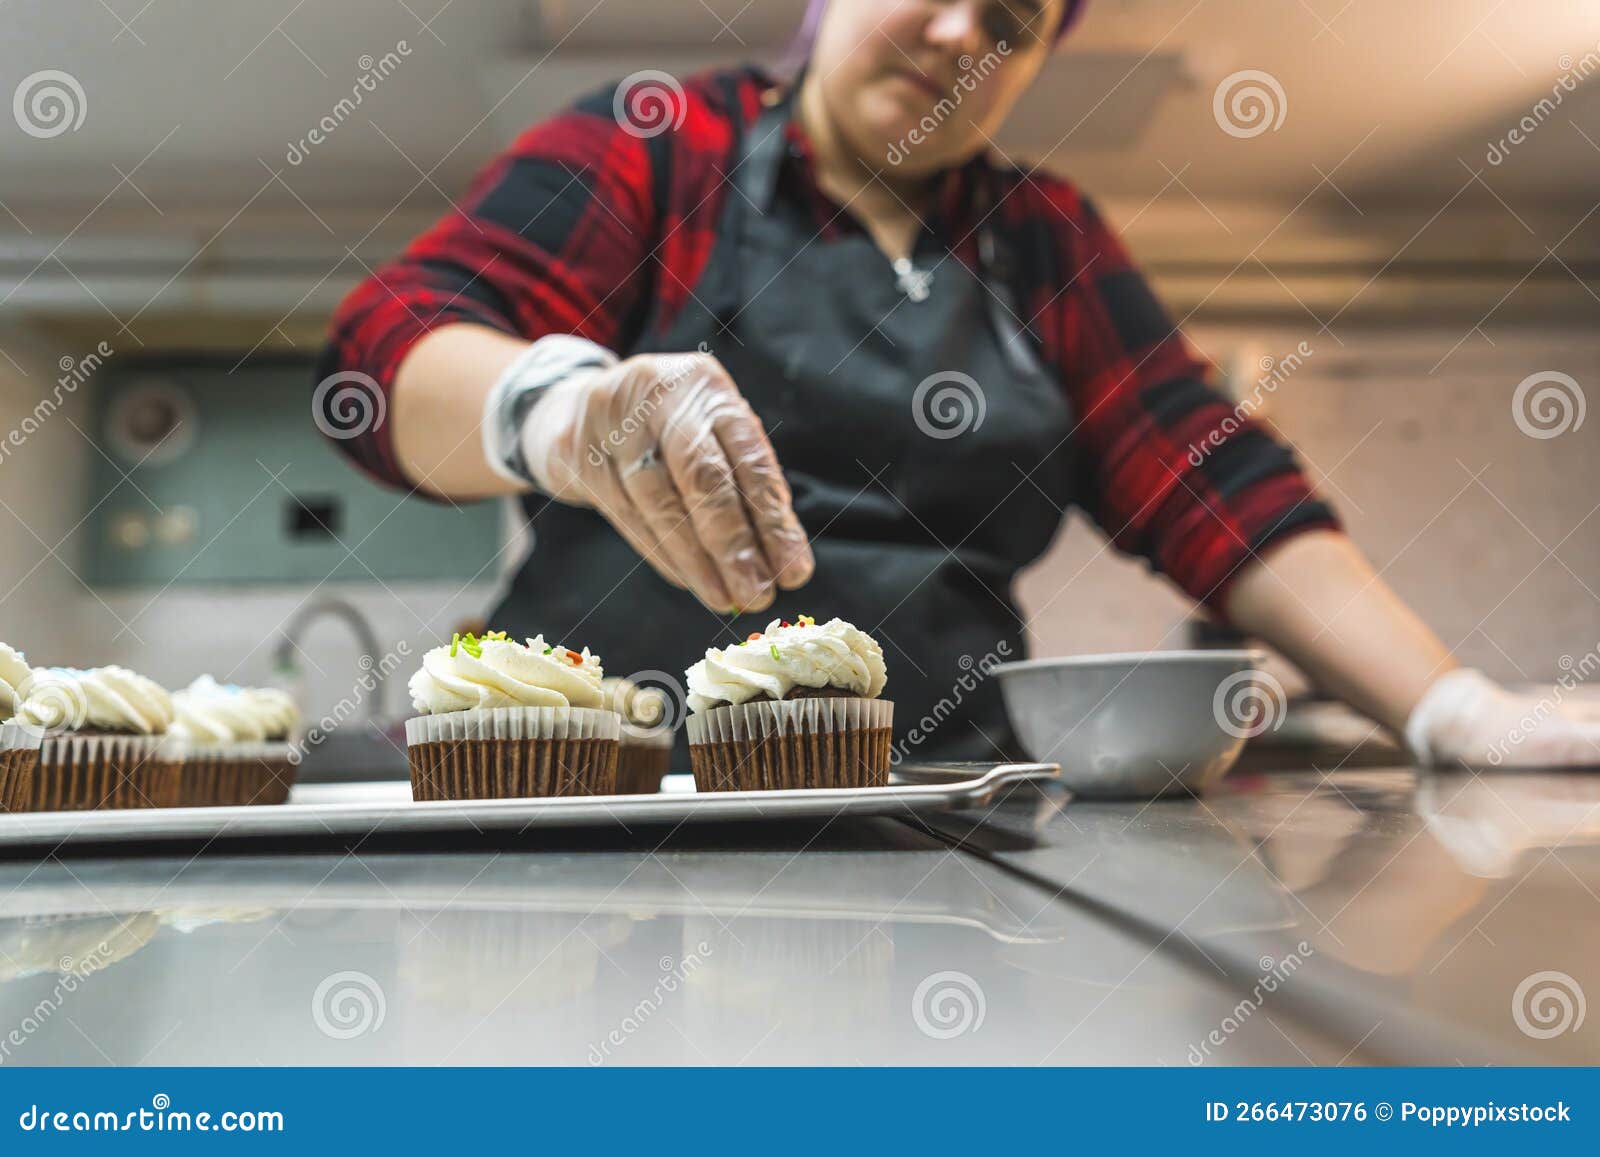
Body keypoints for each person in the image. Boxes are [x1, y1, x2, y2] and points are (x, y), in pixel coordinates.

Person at [316, 0, 1599, 769]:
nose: (959, 36)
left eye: (1011, 21)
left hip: (938, 805)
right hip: (604, 783)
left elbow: (1216, 488)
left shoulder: (1046, 241)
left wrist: (1449, 708)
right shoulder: (662, 147)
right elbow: (392, 346)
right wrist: (560, 411)